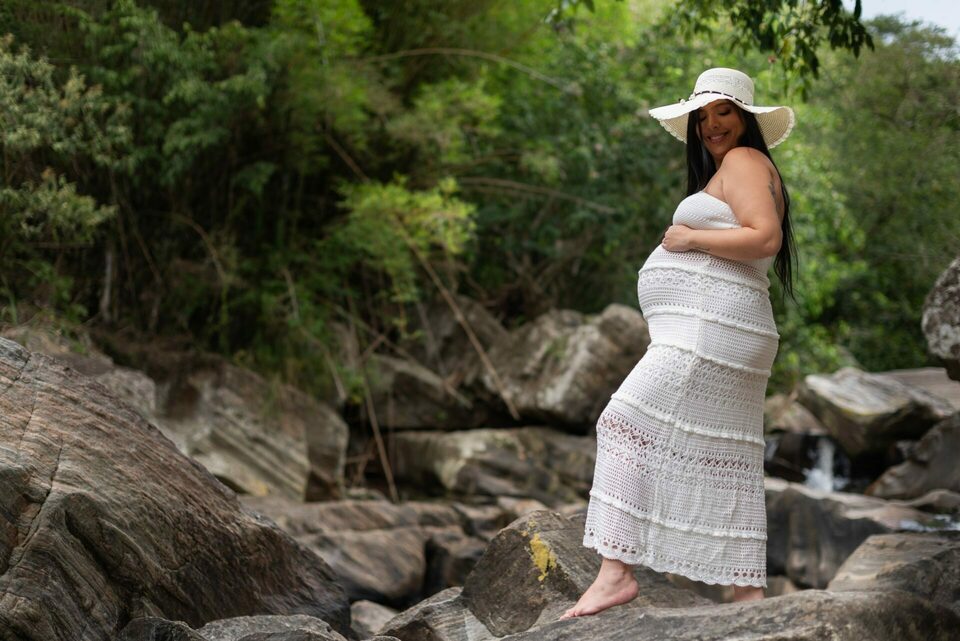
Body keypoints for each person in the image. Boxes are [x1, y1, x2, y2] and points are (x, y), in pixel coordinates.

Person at [561, 67, 797, 619]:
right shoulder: (741, 167)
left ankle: (616, 572)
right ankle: (748, 596)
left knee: (624, 421)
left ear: (746, 120)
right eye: (703, 115)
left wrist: (690, 237)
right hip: (727, 330)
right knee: (726, 454)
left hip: (713, 332)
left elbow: (764, 237)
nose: (712, 124)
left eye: (725, 112)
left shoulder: (742, 162)